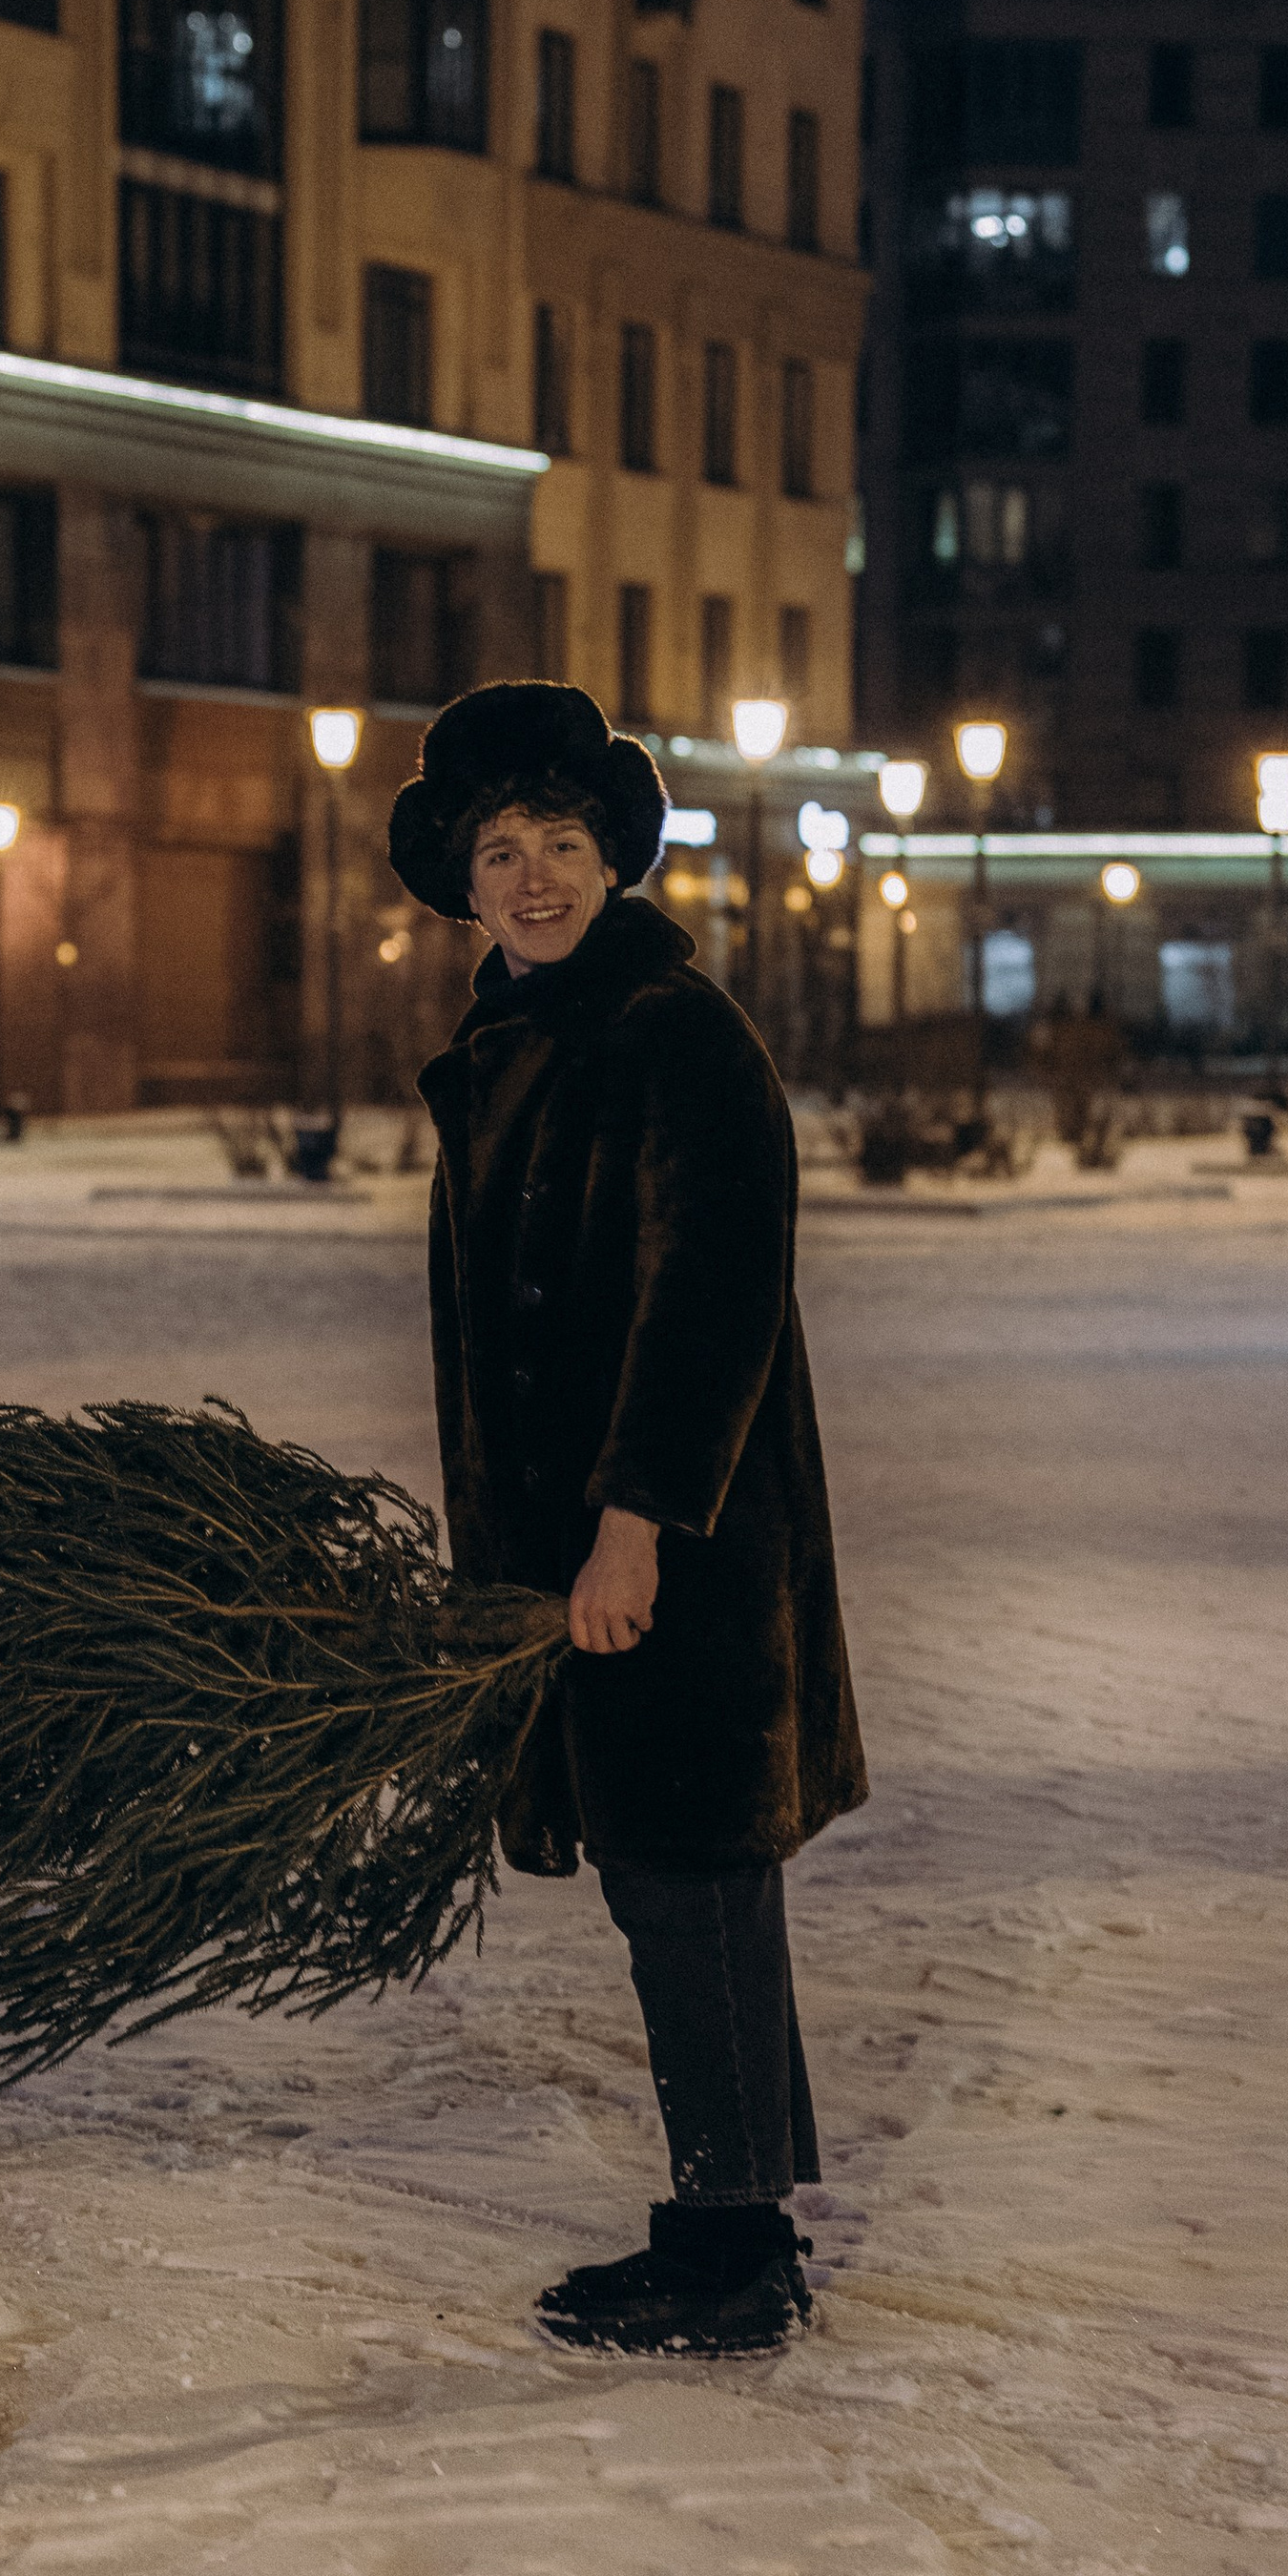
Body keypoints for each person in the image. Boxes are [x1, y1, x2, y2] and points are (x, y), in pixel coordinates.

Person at [388, 681, 865, 2358]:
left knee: (693, 1868)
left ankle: (731, 2251)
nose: (533, 880)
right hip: (582, 1541)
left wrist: (637, 1526)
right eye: (501, 850)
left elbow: (712, 1306)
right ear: (460, 874)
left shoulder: (673, 1034)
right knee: (681, 1873)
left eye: (565, 846)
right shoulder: (523, 1033)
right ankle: (736, 2215)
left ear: (617, 859)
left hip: (680, 1549)